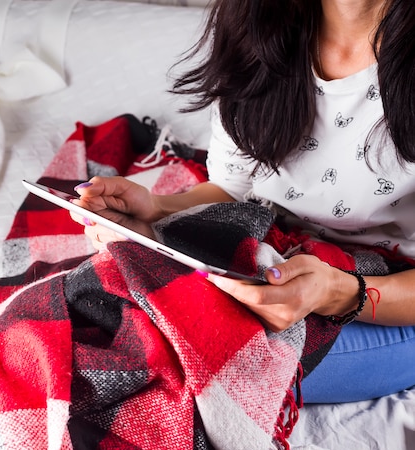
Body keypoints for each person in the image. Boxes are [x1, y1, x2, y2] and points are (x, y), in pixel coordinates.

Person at [69, 0, 415, 404]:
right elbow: (233, 190)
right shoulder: (260, 23)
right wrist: (155, 209)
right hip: (284, 257)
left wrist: (337, 292)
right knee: (101, 318)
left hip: (390, 296)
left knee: (217, 363)